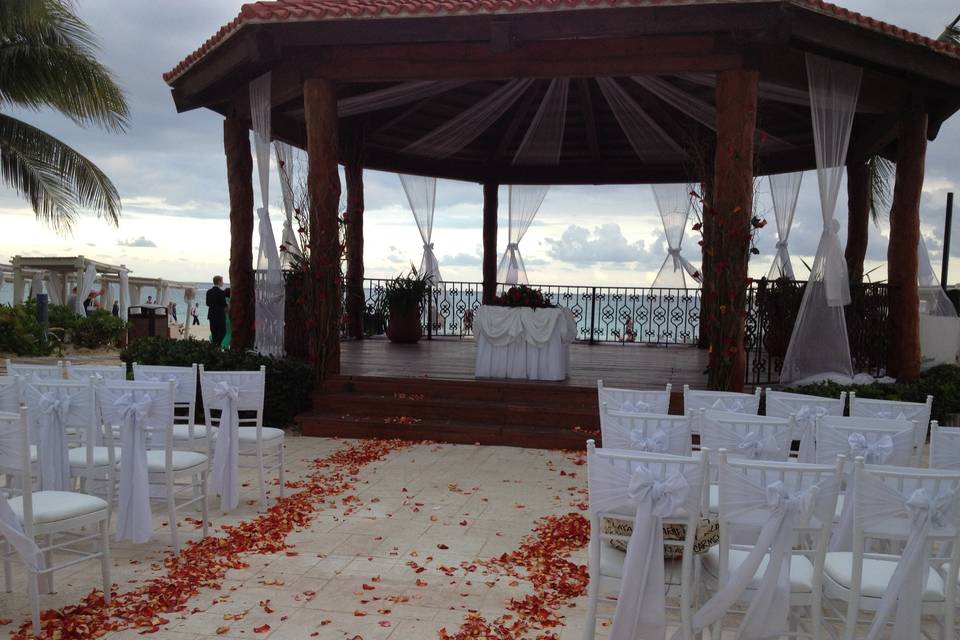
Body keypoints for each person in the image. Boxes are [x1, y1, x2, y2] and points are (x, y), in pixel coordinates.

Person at [206, 276, 228, 347]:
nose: (223, 283)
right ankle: (217, 345)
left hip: (211, 315)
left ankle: (214, 345)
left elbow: (207, 303)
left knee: (214, 332)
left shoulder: (209, 292)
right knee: (223, 331)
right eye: (222, 281)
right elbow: (224, 304)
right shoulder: (221, 292)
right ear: (219, 282)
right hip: (220, 315)